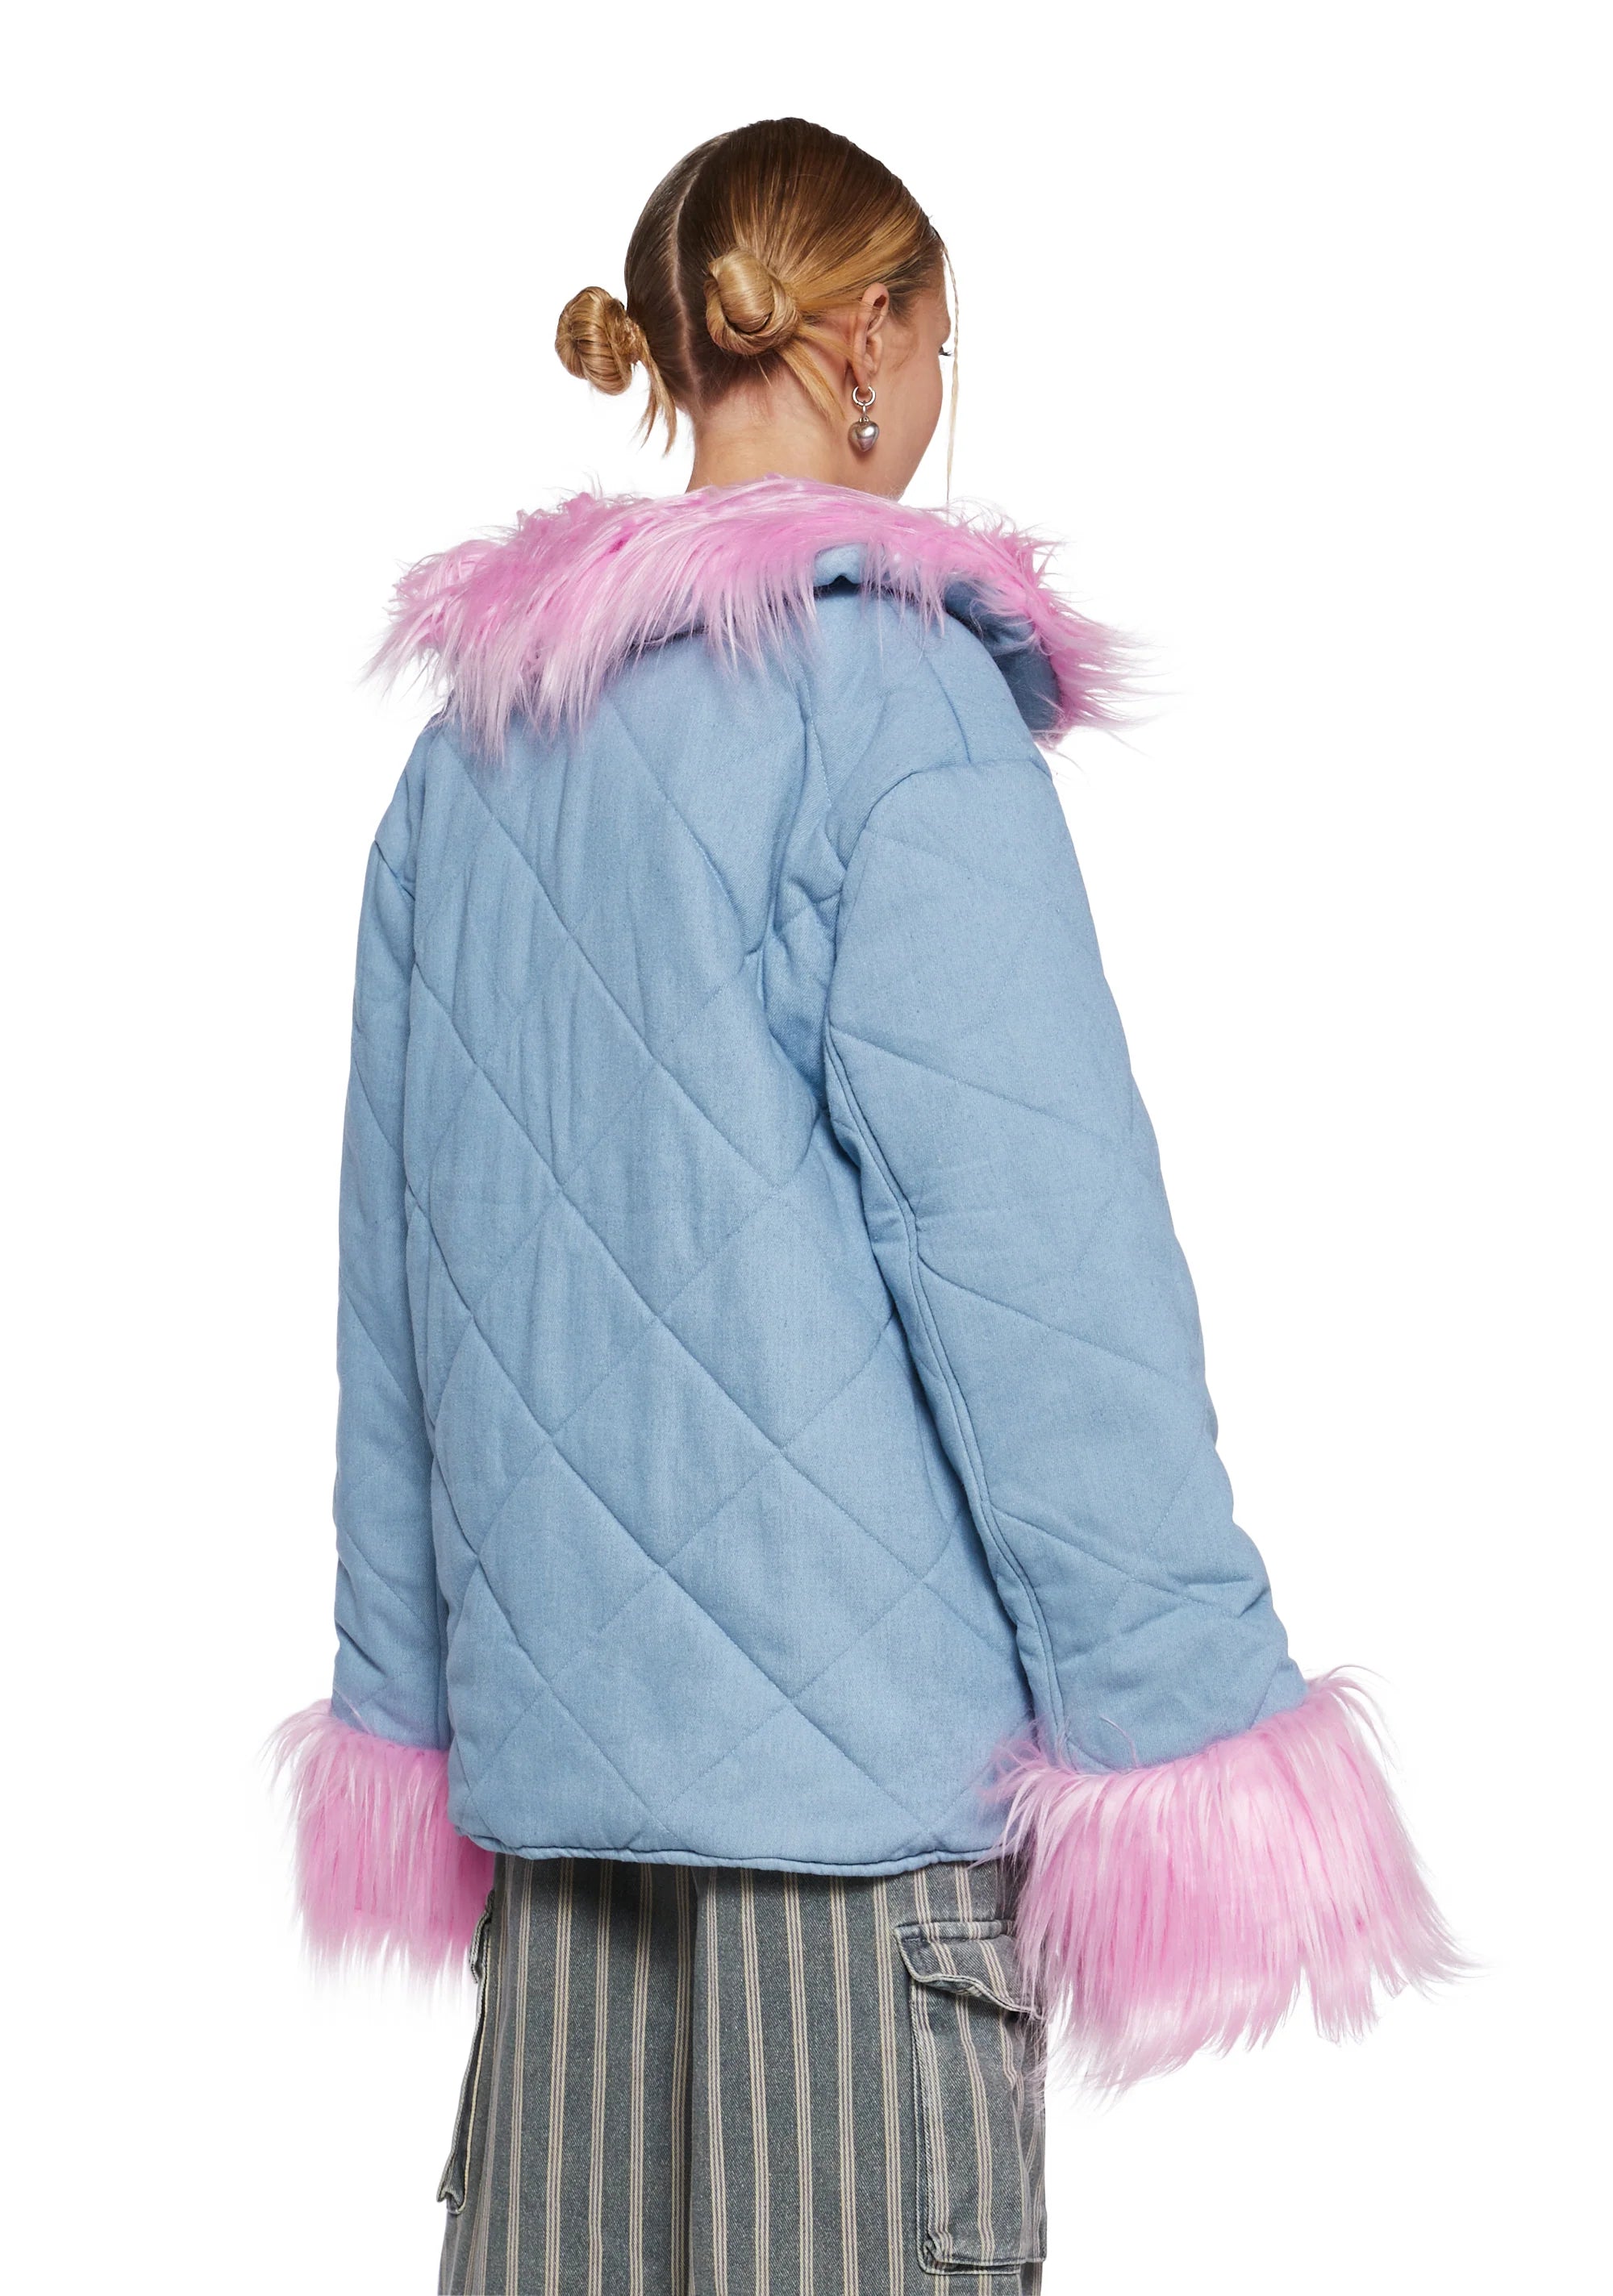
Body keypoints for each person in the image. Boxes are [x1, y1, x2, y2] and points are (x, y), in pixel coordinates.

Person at [272, 115, 1460, 2296]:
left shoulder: (469, 764)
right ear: (866, 339)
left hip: (562, 1876)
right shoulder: (891, 699)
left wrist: (408, 1706)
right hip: (861, 1865)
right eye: (940, 343)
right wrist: (1191, 1728)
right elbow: (1042, 1270)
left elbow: (395, 1306)